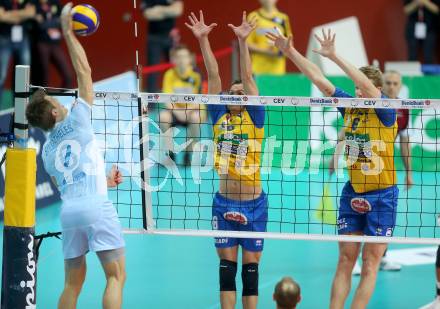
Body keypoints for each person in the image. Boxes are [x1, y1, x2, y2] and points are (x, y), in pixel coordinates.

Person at [268, 29, 398, 309]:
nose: (357, 92)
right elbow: (319, 79)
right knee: (345, 259)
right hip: (353, 192)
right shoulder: (349, 109)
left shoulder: (386, 111)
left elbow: (365, 84)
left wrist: (335, 55)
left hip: (383, 196)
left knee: (371, 263)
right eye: (355, 89)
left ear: (375, 92)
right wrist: (290, 51)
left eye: (362, 89)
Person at [25, 4, 126, 309]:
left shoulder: (47, 151)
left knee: (72, 284)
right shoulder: (79, 118)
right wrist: (69, 32)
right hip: (96, 207)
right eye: (55, 100)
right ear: (55, 112)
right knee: (115, 278)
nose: (60, 99)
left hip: (69, 213)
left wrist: (104, 178)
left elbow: (71, 180)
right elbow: (85, 71)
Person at [186, 10, 267, 309]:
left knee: (251, 271)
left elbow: (247, 77)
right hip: (224, 203)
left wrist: (243, 42)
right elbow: (213, 76)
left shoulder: (255, 117)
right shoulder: (218, 115)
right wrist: (204, 40)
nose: (235, 95)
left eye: (240, 93)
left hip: (255, 206)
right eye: (231, 93)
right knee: (226, 272)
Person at [331, 70, 413, 275]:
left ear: (400, 86)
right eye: (388, 83)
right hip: (362, 163)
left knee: (382, 220)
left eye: (396, 83)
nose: (392, 86)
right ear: (381, 86)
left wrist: (409, 172)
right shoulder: (365, 104)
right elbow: (345, 132)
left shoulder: (402, 109)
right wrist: (335, 156)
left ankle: (380, 257)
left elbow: (404, 141)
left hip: (382, 165)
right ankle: (355, 257)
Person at [159, 44, 204, 166]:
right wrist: (178, 112)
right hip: (174, 110)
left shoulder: (196, 75)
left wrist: (186, 111)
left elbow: (199, 100)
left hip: (192, 111)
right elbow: (167, 99)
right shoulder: (169, 75)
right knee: (163, 117)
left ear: (190, 59)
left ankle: (188, 154)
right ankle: (170, 153)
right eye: (178, 57)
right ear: (174, 60)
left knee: (196, 118)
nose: (182, 60)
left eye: (184, 57)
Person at [141, 0, 183, 92]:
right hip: (154, 38)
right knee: (152, 72)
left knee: (175, 69)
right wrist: (169, 10)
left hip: (171, 36)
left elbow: (178, 10)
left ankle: (177, 101)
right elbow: (148, 15)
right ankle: (151, 104)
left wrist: (159, 9)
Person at [0, 0, 36, 108]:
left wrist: (9, 15)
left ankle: (20, 108)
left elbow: (31, 13)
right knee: (1, 75)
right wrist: (23, 13)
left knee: (23, 75)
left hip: (23, 40)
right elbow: (1, 17)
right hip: (4, 39)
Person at [32, 0, 73, 89]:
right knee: (43, 77)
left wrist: (45, 23)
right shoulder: (34, 4)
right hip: (41, 43)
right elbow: (38, 26)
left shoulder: (55, 3)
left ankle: (63, 100)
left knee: (68, 75)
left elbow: (63, 20)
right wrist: (54, 22)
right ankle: (42, 101)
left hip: (55, 44)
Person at [247, 0, 292, 75]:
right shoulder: (253, 16)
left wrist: (280, 50)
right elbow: (247, 44)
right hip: (257, 71)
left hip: (278, 72)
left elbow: (289, 44)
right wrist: (266, 51)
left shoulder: (283, 18)